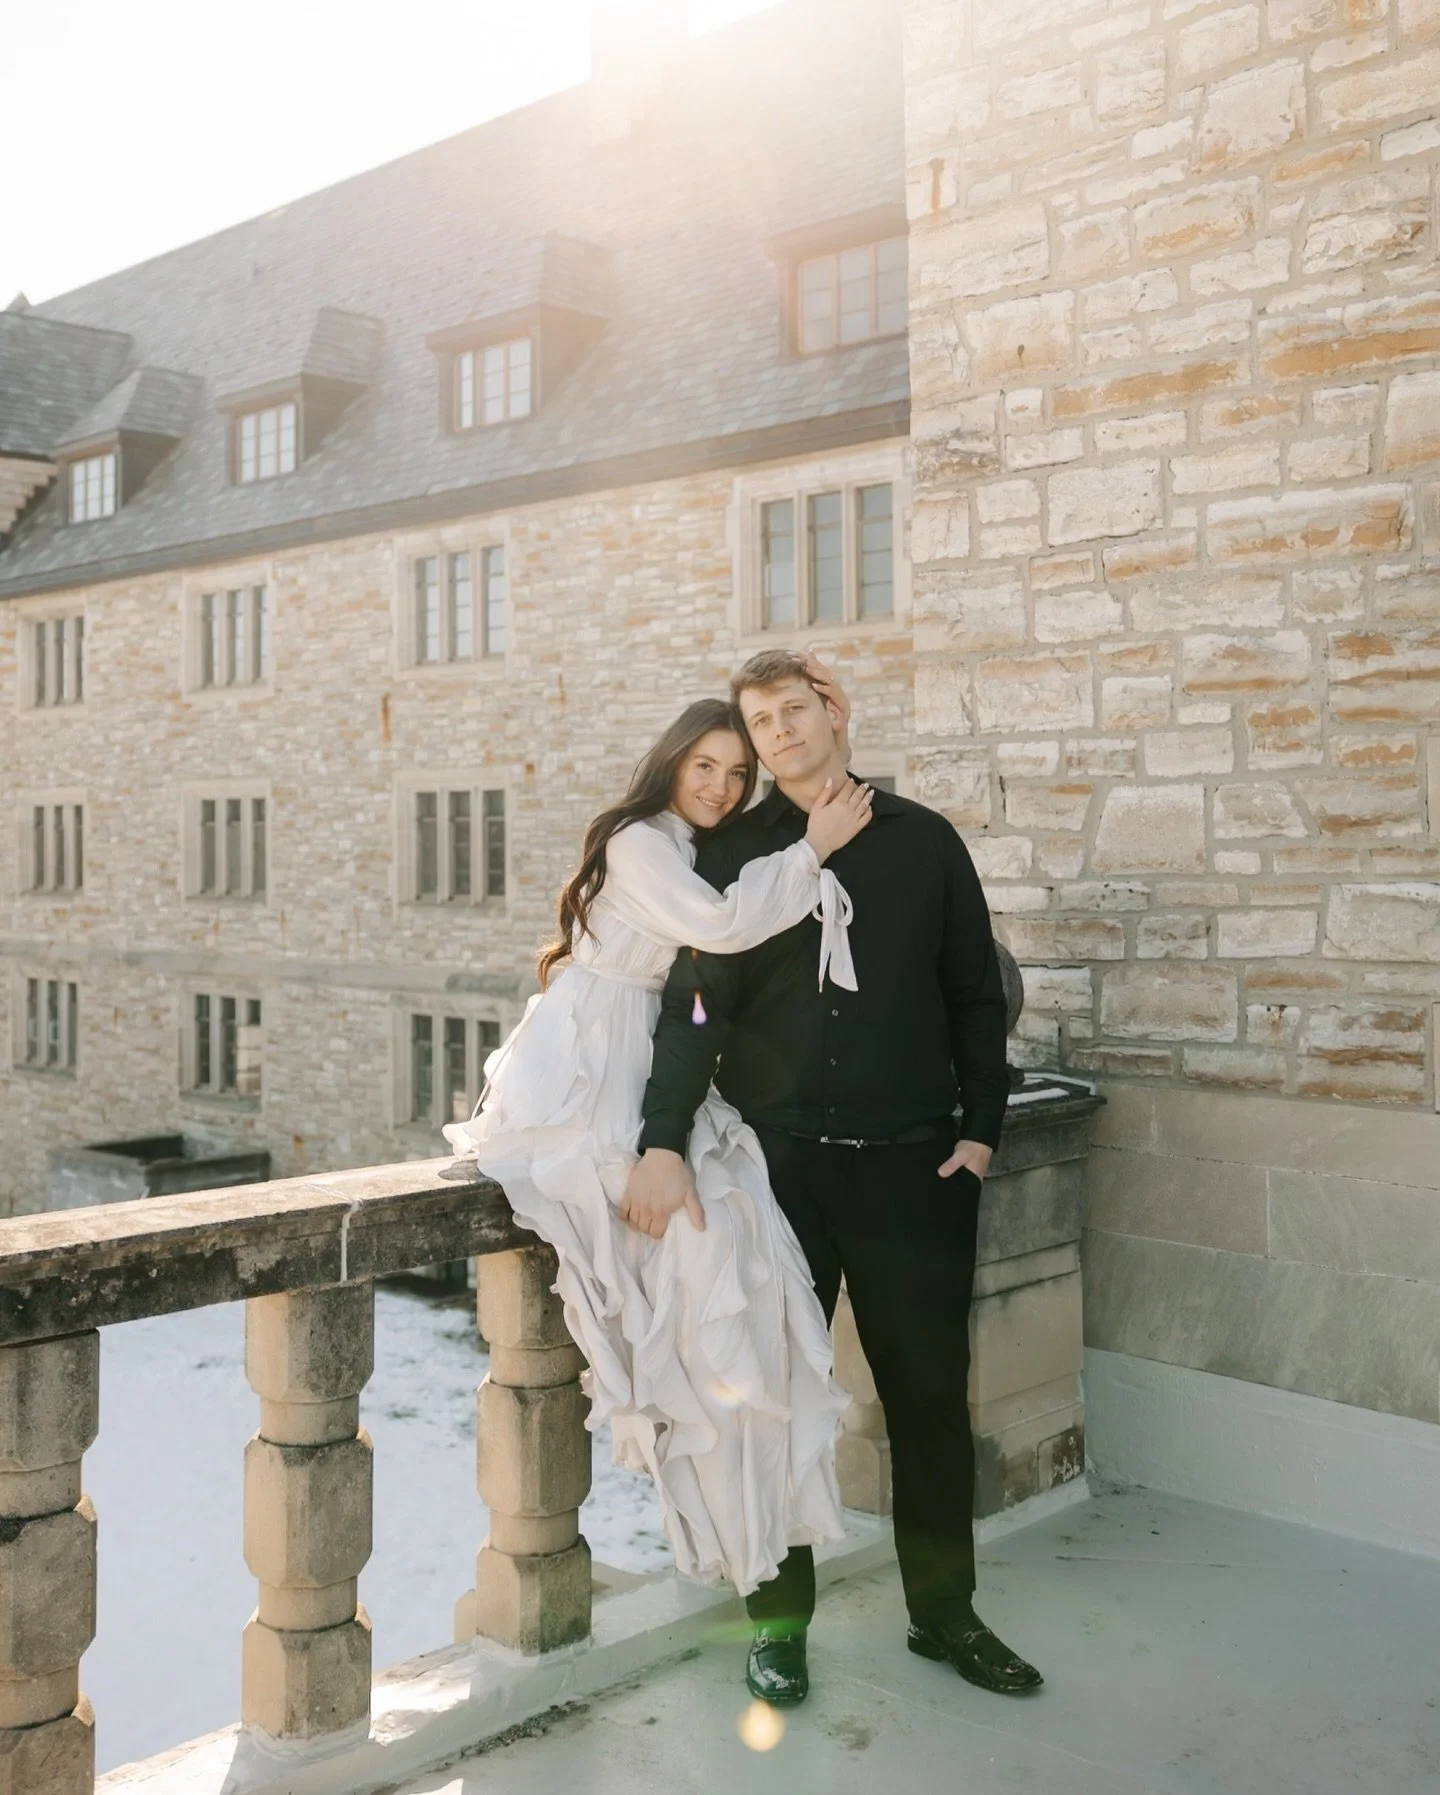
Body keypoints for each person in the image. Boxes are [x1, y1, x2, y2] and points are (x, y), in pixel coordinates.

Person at [623, 646, 1043, 1706]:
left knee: (928, 1403)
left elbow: (974, 995)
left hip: (913, 1169)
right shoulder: (741, 856)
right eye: (759, 723)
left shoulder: (925, 842)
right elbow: (697, 1005)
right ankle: (778, 1623)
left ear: (834, 713)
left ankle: (944, 1616)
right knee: (772, 1405)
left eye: (792, 712)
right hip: (780, 1174)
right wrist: (665, 1135)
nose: (777, 736)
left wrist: (980, 1133)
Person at [444, 680, 873, 1596]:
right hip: (594, 1059)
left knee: (733, 1238)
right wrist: (814, 848)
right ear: (671, 763)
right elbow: (721, 926)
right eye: (704, 765)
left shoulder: (688, 846)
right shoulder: (641, 841)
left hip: (648, 1053)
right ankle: (723, 1510)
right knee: (685, 1243)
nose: (720, 786)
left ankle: (749, 1512)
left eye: (737, 772)